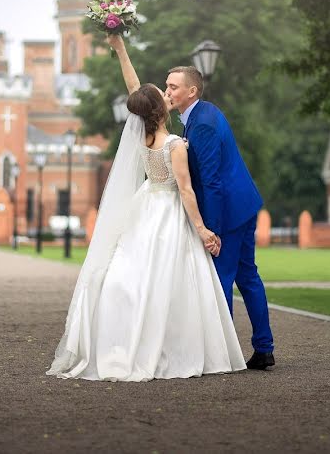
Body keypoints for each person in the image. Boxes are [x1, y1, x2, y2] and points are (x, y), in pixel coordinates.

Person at [47, 36, 245, 382]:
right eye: (163, 93)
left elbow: (135, 88)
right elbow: (185, 190)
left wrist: (120, 48)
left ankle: (132, 338)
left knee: (138, 273)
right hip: (167, 209)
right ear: (159, 107)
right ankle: (171, 347)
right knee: (173, 278)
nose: (168, 95)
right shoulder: (174, 145)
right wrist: (202, 229)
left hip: (145, 205)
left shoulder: (141, 135)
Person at [164, 51, 276, 370]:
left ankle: (223, 355)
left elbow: (211, 181)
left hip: (227, 211)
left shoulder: (202, 126)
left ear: (192, 92)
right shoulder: (201, 117)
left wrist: (209, 231)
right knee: (247, 276)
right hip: (242, 204)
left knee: (221, 278)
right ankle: (263, 348)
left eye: (173, 87)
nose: (168, 91)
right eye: (167, 86)